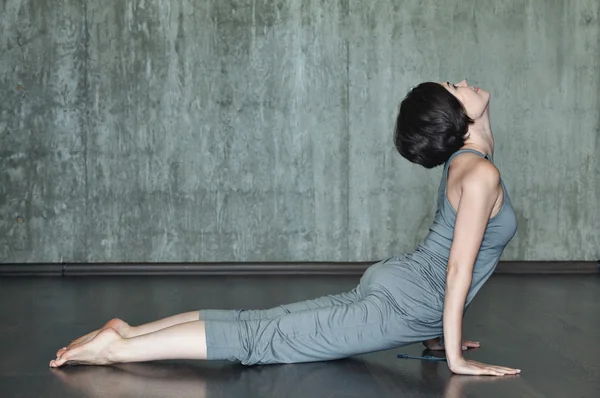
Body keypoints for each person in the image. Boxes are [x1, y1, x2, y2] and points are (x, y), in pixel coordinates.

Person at [50, 80, 521, 377]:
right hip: (406, 301)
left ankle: (130, 331)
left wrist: (440, 335)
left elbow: (457, 258)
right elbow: (458, 266)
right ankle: (121, 350)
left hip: (402, 288)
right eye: (455, 89)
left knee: (265, 323)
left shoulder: (469, 165)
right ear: (457, 119)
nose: (463, 82)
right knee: (263, 340)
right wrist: (454, 356)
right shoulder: (478, 171)